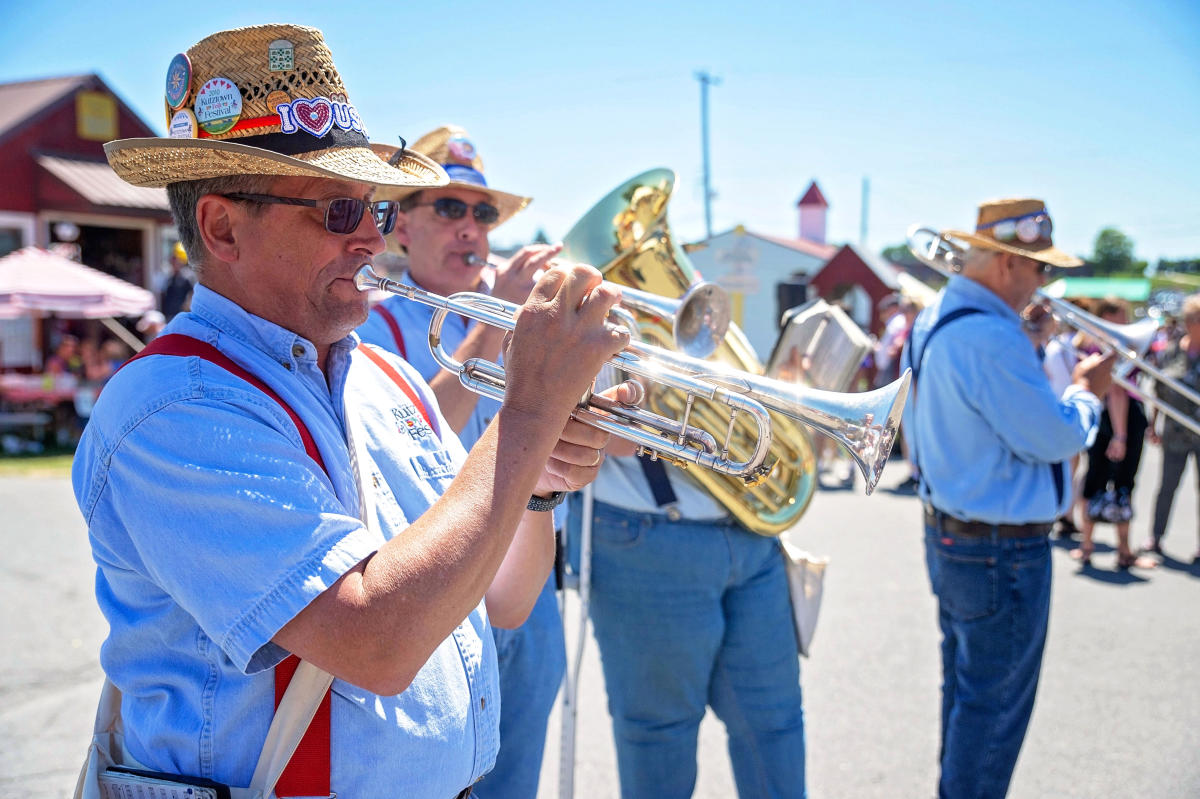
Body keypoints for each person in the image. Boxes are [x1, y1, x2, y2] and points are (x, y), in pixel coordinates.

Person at [73, 24, 629, 797]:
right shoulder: (169, 408)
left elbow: (504, 596)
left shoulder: (390, 379)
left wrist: (538, 477)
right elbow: (377, 639)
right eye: (340, 210)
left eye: (377, 209)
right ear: (223, 226)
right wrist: (528, 414)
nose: (372, 237)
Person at [357, 125, 565, 799]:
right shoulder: (373, 326)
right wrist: (497, 320)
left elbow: (597, 445)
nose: (471, 227)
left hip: (524, 593)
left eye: (483, 213)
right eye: (448, 207)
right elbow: (414, 435)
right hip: (434, 592)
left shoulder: (524, 320)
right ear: (401, 228)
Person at [900, 198, 1112, 799]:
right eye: (1037, 268)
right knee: (992, 715)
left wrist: (1033, 345)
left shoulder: (939, 314)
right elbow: (1055, 436)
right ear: (1004, 267)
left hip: (953, 534)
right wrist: (1084, 392)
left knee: (967, 698)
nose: (1043, 283)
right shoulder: (993, 336)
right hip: (1002, 550)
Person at [567, 304, 807, 791]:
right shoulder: (607, 313)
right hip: (649, 539)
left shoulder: (702, 304)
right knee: (659, 734)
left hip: (750, 534)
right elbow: (581, 424)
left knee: (776, 722)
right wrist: (675, 406)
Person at [1071, 298, 1156, 570]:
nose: (1125, 322)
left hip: (1105, 416)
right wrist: (1120, 435)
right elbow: (1118, 391)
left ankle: (1088, 546)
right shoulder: (1108, 348)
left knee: (1095, 480)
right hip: (1119, 419)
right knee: (1120, 483)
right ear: (1106, 316)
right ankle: (1123, 550)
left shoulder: (1090, 345)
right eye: (1121, 317)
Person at [1143, 292, 1200, 561]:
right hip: (1175, 430)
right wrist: (1153, 424)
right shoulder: (1171, 351)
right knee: (1166, 486)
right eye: (1192, 319)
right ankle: (1155, 536)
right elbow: (1159, 389)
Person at [160, 240, 196, 319]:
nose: (171, 261)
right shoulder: (170, 278)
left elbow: (193, 295)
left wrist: (185, 310)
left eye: (174, 258)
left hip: (181, 317)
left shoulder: (188, 277)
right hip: (170, 316)